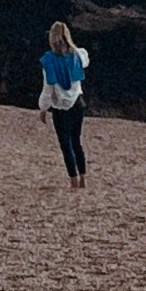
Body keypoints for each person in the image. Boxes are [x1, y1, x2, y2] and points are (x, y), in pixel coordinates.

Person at [38, 22, 89, 190]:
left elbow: (48, 88)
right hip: (78, 103)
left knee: (65, 144)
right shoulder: (78, 56)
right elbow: (86, 60)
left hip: (60, 107)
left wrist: (43, 108)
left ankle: (73, 180)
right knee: (76, 142)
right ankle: (83, 177)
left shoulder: (49, 61)